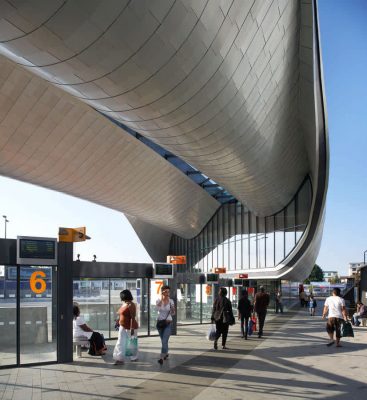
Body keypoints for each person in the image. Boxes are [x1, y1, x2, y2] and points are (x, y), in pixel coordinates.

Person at [113, 289, 139, 365]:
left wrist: (132, 328)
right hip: (122, 326)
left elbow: (133, 317)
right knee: (120, 342)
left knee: (131, 342)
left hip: (130, 327)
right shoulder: (124, 304)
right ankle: (119, 359)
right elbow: (121, 314)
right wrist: (118, 320)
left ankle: (134, 357)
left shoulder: (131, 304)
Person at [156, 285, 175, 365]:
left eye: (168, 291)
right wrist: (162, 298)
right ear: (162, 292)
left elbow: (173, 313)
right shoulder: (158, 300)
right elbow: (158, 309)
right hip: (160, 323)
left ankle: (161, 358)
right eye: (166, 291)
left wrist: (172, 309)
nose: (167, 293)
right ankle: (166, 353)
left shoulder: (171, 301)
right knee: (164, 341)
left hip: (168, 323)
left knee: (164, 341)